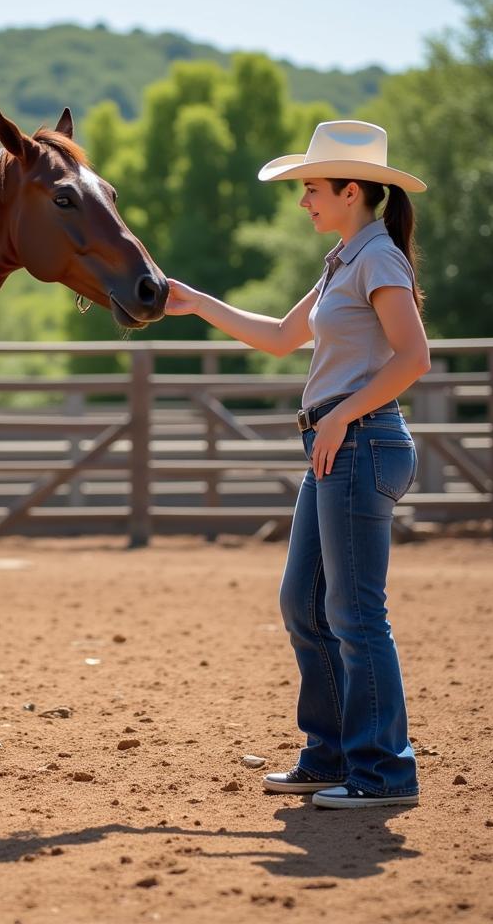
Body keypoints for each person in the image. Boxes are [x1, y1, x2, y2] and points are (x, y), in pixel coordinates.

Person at [166, 121, 431, 808]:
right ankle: (332, 754)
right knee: (305, 604)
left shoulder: (378, 259)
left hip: (360, 440)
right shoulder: (345, 258)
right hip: (339, 444)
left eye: (312, 189)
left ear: (352, 190)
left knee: (355, 611)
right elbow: (283, 338)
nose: (303, 201)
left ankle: (383, 773)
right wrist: (194, 301)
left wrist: (342, 415)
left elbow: (413, 357)